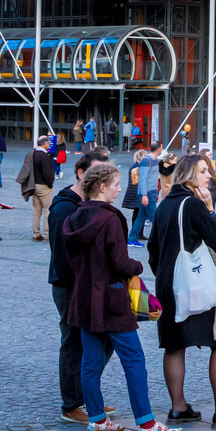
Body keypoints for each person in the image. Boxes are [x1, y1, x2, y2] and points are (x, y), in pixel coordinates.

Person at [62, 164, 181, 431]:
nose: (119, 188)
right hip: (112, 300)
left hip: (84, 299)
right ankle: (146, 422)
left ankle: (97, 420)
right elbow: (119, 263)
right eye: (116, 184)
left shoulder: (73, 218)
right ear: (102, 187)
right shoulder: (110, 218)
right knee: (134, 360)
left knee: (90, 362)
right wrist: (137, 267)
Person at [149, 155, 216, 427]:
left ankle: (178, 407)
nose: (208, 176)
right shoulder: (194, 204)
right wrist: (211, 209)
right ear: (188, 173)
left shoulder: (165, 203)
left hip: (169, 284)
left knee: (174, 344)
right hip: (198, 284)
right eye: (203, 171)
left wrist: (167, 276)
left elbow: (153, 250)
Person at [48, 151, 111, 425]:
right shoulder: (65, 208)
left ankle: (87, 396)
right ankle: (72, 404)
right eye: (95, 173)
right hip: (70, 285)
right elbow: (62, 257)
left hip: (91, 285)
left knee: (104, 340)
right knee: (74, 343)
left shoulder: (92, 205)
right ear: (80, 172)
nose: (100, 180)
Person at [20, 135, 56, 242]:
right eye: (48, 143)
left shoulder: (32, 153)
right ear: (44, 144)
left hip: (33, 185)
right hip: (44, 186)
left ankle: (36, 234)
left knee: (36, 211)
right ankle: (46, 234)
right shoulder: (44, 156)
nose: (49, 145)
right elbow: (47, 173)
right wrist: (50, 184)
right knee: (48, 210)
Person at [128, 141, 163, 247]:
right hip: (147, 193)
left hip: (150, 192)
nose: (162, 149)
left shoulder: (154, 160)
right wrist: (144, 195)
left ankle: (131, 238)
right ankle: (162, 239)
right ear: (158, 149)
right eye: (161, 147)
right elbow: (142, 179)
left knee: (141, 217)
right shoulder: (146, 161)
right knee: (155, 217)